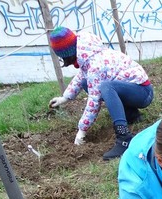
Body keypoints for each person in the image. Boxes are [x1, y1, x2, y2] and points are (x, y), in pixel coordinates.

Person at [47, 26, 154, 161]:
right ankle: (132, 115)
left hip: (143, 93)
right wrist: (65, 98)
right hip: (133, 90)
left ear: (67, 53)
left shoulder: (95, 65)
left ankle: (124, 138)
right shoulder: (87, 53)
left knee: (107, 87)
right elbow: (82, 76)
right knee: (90, 83)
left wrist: (82, 131)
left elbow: (94, 100)